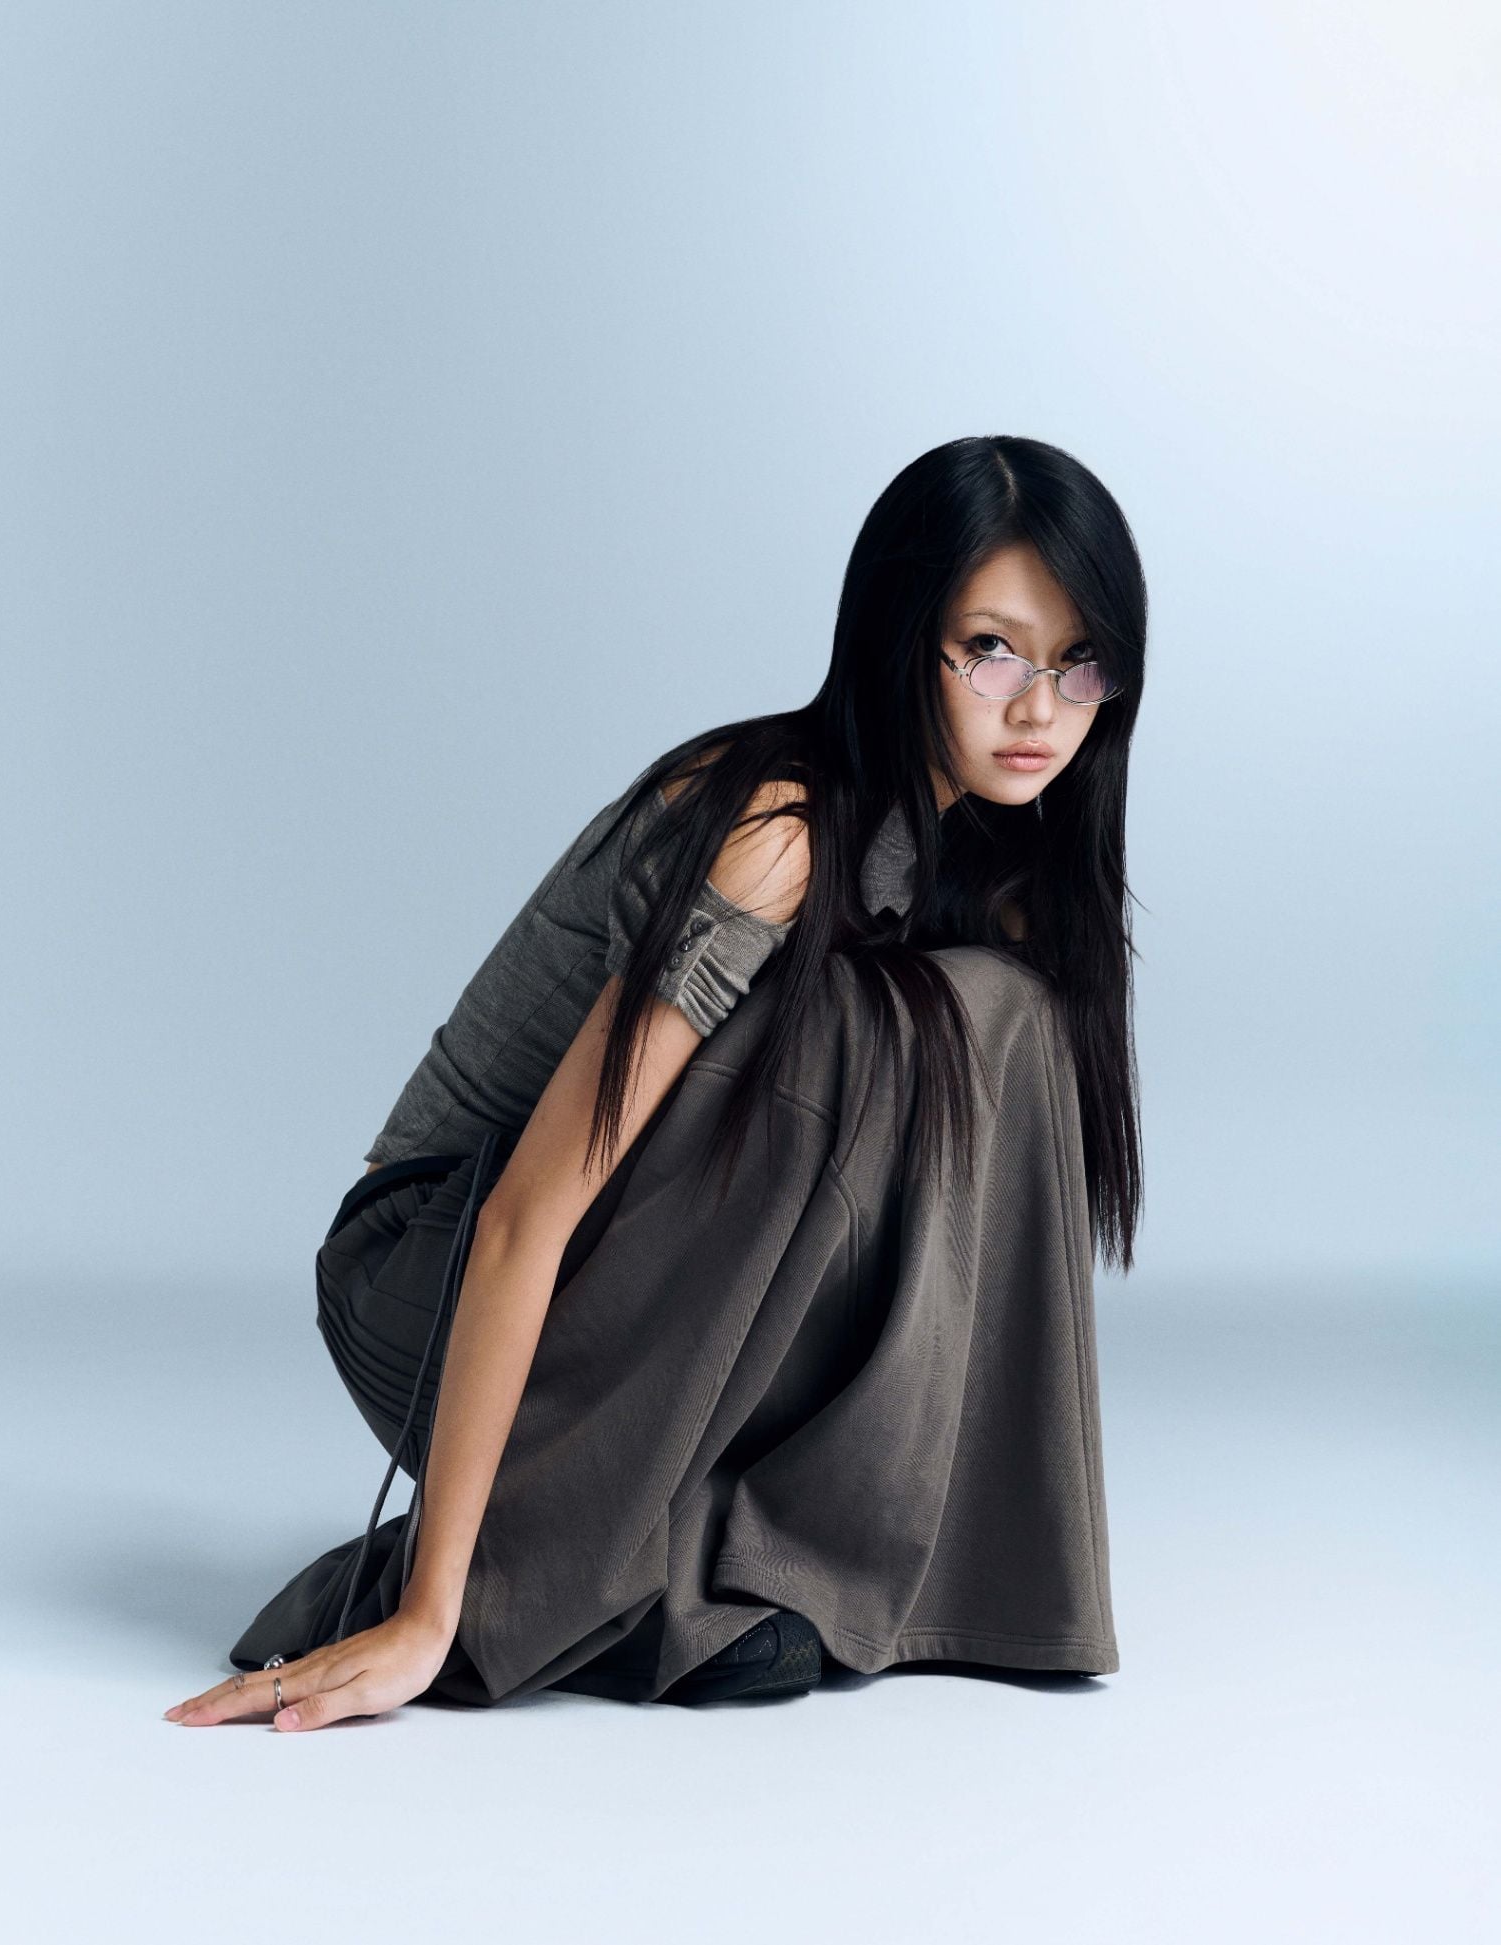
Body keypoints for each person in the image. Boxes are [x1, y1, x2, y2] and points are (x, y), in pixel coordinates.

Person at [165, 432, 1145, 1731]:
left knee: (1000, 1012)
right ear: (903, 635)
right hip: (434, 1276)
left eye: (1080, 662)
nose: (1039, 709)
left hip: (627, 1293)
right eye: (992, 650)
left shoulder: (978, 853)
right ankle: (521, 1578)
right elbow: (527, 1210)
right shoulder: (777, 832)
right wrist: (434, 1615)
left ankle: (828, 1561)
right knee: (843, 1029)